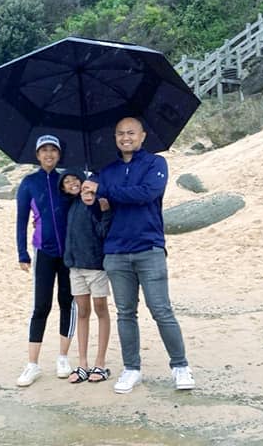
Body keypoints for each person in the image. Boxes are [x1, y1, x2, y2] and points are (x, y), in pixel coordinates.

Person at [96, 116, 194, 394]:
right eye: (119, 133)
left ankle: (180, 366)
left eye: (131, 133)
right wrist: (92, 195)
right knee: (126, 313)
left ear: (142, 136)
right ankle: (131, 369)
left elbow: (148, 193)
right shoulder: (107, 170)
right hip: (115, 252)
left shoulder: (156, 163)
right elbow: (100, 207)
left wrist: (108, 192)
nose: (125, 138)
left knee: (161, 310)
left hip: (149, 249)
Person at [14, 134, 75, 387]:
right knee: (41, 306)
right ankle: (32, 364)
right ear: (37, 155)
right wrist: (22, 253)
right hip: (43, 251)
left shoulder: (67, 181)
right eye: (44, 150)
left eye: (53, 150)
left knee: (66, 302)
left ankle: (63, 357)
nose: (49, 154)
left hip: (70, 253)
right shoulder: (29, 183)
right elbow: (20, 220)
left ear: (59, 155)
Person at [62, 174, 112, 383]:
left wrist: (104, 210)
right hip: (75, 268)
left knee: (101, 309)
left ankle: (100, 363)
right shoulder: (70, 205)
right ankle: (82, 363)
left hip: (96, 267)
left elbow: (103, 231)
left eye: (77, 181)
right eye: (67, 182)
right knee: (82, 312)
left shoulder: (96, 204)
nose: (74, 185)